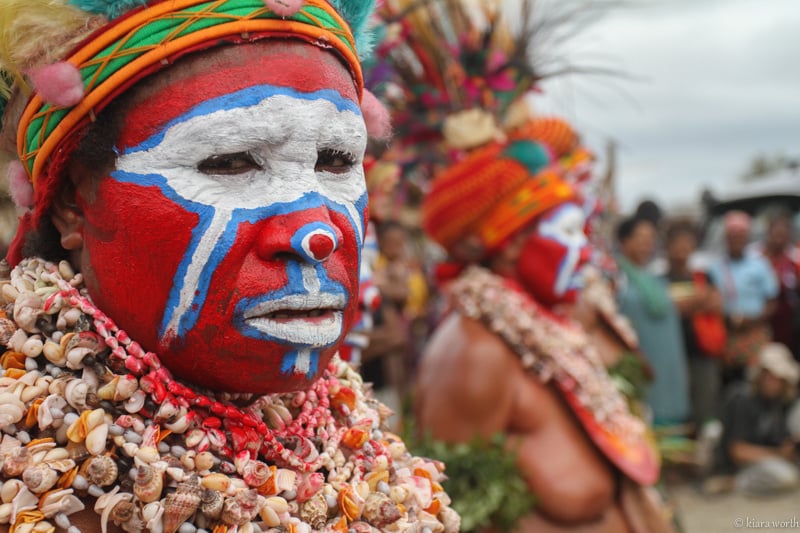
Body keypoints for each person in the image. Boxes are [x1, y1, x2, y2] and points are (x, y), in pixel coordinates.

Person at [0, 1, 459, 532]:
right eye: (229, 162)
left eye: (335, 161)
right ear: (72, 205)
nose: (317, 234)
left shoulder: (364, 439)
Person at [416, 126, 671, 532]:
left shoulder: (556, 332)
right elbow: (453, 515)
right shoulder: (475, 352)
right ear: (513, 242)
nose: (586, 251)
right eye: (569, 233)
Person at [616, 216, 690, 426]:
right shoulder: (616, 278)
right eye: (639, 238)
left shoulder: (655, 279)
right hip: (642, 367)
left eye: (650, 239)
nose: (645, 245)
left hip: (668, 368)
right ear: (624, 241)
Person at [714, 343, 800, 495]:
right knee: (786, 477)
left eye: (776, 377)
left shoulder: (779, 403)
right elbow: (738, 452)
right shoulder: (743, 399)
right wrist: (778, 454)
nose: (771, 381)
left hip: (767, 458)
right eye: (767, 375)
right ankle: (732, 483)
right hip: (740, 465)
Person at [664, 219, 725, 432]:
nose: (683, 248)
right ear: (667, 247)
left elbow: (716, 303)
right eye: (677, 243)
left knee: (704, 403)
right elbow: (668, 308)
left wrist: (683, 305)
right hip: (673, 354)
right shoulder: (661, 279)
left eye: (687, 243)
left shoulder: (703, 275)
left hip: (702, 351)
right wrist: (698, 300)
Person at [709, 211, 778, 381]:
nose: (736, 240)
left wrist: (752, 320)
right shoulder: (715, 268)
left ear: (747, 237)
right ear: (725, 238)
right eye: (732, 236)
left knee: (757, 382)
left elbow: (772, 301)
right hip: (727, 336)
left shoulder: (759, 265)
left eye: (740, 236)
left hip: (755, 333)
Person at [759, 210, 800, 358]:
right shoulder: (755, 255)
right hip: (761, 318)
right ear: (769, 233)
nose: (779, 238)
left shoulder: (795, 256)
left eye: (783, 234)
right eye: (776, 233)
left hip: (788, 321)